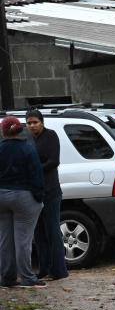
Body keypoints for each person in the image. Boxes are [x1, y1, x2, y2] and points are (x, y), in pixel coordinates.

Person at [0, 116, 45, 288]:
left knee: (5, 240)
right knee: (23, 240)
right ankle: (27, 278)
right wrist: (39, 198)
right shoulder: (28, 148)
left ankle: (7, 278)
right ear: (20, 129)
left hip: (1, 197)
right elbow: (37, 175)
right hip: (24, 196)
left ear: (3, 132)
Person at [27, 110, 68, 282]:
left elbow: (53, 161)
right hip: (34, 192)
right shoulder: (28, 139)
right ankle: (43, 269)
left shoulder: (50, 136)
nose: (32, 126)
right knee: (39, 233)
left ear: (42, 122)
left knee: (52, 231)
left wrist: (35, 169)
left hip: (50, 191)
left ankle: (59, 270)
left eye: (35, 122)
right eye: (29, 123)